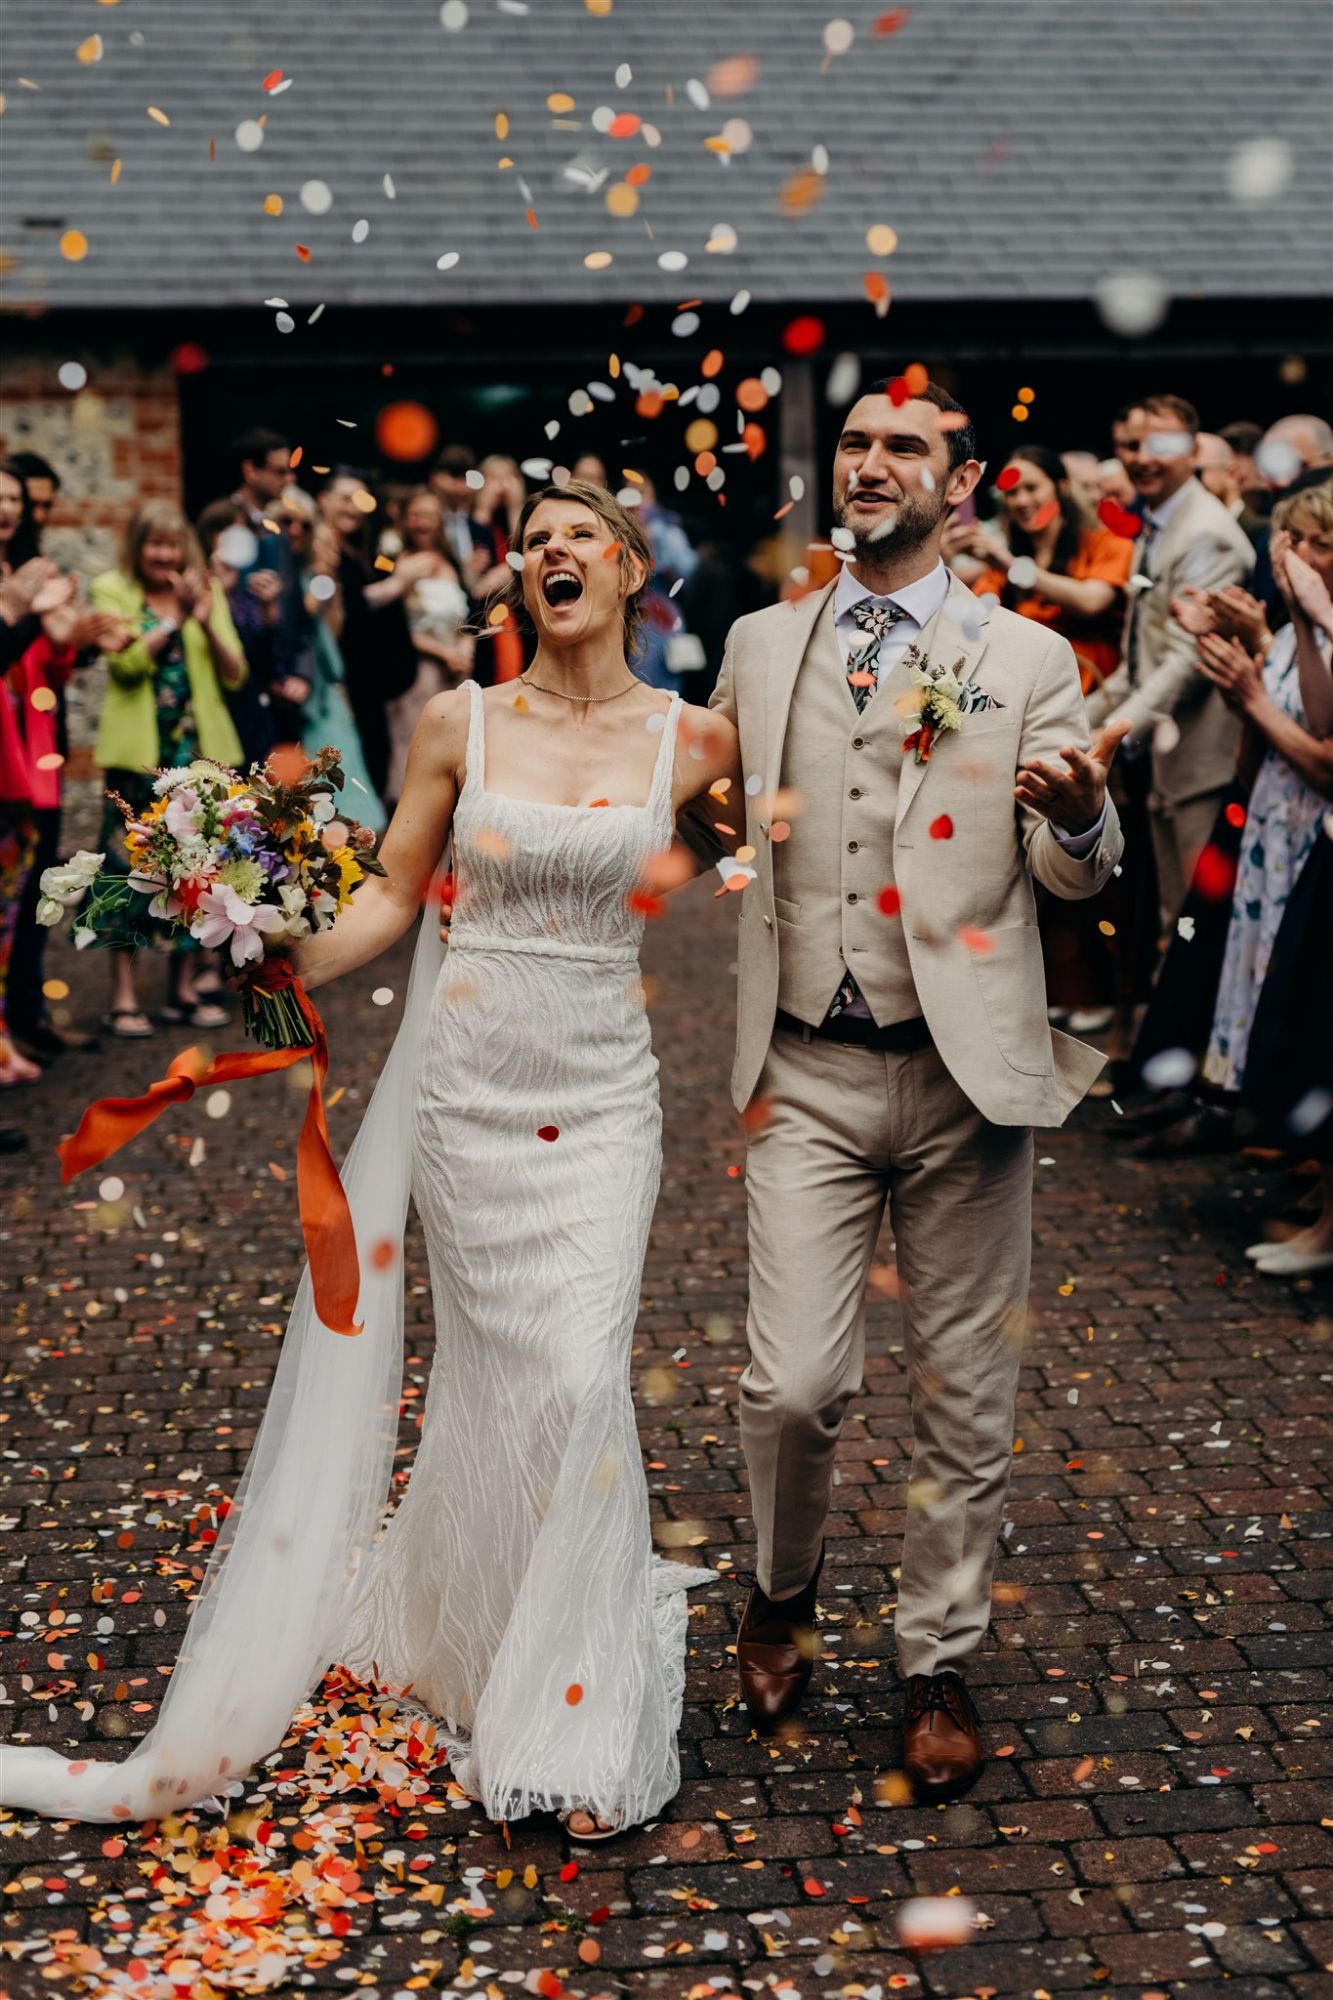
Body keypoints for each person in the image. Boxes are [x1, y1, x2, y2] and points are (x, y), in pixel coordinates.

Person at [0, 479, 740, 1846]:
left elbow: (785, 873)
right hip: (468, 1093)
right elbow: (396, 895)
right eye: (531, 544)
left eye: (578, 537)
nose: (549, 555)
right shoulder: (461, 720)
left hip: (602, 1100)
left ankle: (570, 1718)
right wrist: (261, 944)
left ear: (633, 571)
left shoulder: (696, 742)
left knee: (580, 1381)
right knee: (498, 1378)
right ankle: (486, 1646)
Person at [703, 381, 1125, 1800]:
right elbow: (692, 795)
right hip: (805, 1067)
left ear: (965, 482)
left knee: (964, 1388)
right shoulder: (761, 645)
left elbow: (1076, 867)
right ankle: (781, 1583)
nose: (872, 466)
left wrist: (1078, 820)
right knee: (793, 1384)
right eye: (859, 447)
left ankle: (935, 1656)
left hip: (961, 1076)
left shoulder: (1027, 657)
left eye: (906, 449)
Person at [948, 444, 1150, 1043]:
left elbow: (1094, 600)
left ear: (1060, 489)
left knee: (1109, 881)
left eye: (1033, 487)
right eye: (1011, 492)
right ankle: (1066, 1002)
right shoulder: (1000, 561)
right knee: (1038, 877)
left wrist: (1013, 566)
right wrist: (946, 566)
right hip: (1020, 738)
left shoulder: (1100, 546)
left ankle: (1120, 1019)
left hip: (1099, 730)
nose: (1023, 500)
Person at [1087, 395, 1255, 927]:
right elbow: (1143, 656)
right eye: (1133, 446)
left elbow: (1186, 664)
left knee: (1195, 929)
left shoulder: (1205, 533)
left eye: (1160, 445)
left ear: (1192, 451)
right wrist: (1073, 717)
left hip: (1202, 762)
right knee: (1172, 921)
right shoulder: (1158, 523)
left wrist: (1109, 735)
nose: (1143, 458)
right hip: (1166, 757)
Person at [89, 502, 248, 1036]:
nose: (164, 555)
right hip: (138, 760)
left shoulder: (207, 590)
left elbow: (235, 673)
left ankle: (182, 988)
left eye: (172, 545)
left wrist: (203, 618)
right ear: (137, 547)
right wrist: (175, 620)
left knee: (194, 872)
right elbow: (127, 666)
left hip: (194, 757)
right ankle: (123, 995)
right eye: (154, 545)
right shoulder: (113, 590)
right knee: (125, 871)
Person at [278, 485, 387, 833]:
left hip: (328, 689)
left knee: (346, 778)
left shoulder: (317, 579)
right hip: (304, 696)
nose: (296, 532)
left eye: (305, 526)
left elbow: (333, 633)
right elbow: (298, 624)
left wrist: (331, 587)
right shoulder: (287, 579)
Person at [364, 489, 472, 801]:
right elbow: (392, 627)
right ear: (404, 520)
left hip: (456, 673)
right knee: (415, 747)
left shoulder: (451, 561)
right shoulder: (394, 562)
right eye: (415, 515)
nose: (422, 522)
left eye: (429, 515)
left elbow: (468, 616)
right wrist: (443, 652)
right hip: (415, 673)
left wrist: (464, 650)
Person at [317, 470, 418, 801]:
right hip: (341, 680)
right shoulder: (321, 556)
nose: (353, 508)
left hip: (369, 681)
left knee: (376, 760)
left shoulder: (360, 551)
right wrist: (399, 583)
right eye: (345, 499)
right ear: (323, 501)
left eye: (359, 501)